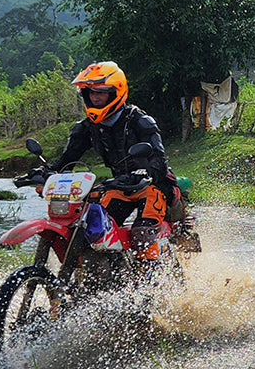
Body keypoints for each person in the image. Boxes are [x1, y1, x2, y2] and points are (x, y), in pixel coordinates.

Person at [50, 61, 171, 262]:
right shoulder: (87, 127)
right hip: (118, 186)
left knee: (142, 232)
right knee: (92, 228)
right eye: (91, 93)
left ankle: (152, 282)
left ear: (116, 92)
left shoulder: (140, 122)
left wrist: (146, 173)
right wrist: (46, 172)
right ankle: (106, 274)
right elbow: (66, 160)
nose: (95, 97)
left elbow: (158, 162)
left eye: (102, 92)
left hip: (152, 186)